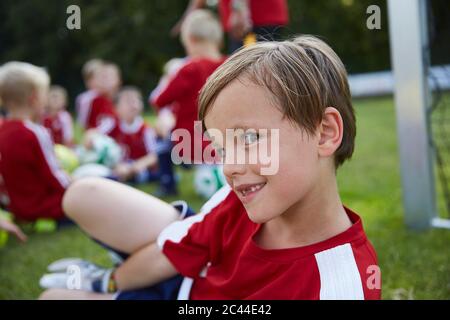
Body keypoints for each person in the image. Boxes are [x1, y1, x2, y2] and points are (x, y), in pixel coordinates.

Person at [39, 35, 381, 300]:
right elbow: (171, 254)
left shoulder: (341, 283)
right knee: (83, 193)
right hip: (185, 279)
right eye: (220, 147)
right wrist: (108, 281)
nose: (229, 167)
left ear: (324, 133)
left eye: (249, 138)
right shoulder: (243, 198)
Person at [150, 9, 226, 195]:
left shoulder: (189, 69)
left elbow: (160, 100)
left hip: (190, 142)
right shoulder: (231, 64)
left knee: (161, 138)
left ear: (190, 40)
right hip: (227, 140)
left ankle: (167, 184)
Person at [0, 62, 71, 222]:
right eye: (45, 94)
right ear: (34, 98)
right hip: (46, 207)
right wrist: (74, 185)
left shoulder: (2, 130)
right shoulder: (35, 132)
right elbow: (53, 175)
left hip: (17, 209)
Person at [172, 0, 289, 53]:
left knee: (253, 72)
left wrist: (238, 8)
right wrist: (187, 18)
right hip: (251, 20)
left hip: (255, 19)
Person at [109, 87, 159, 184]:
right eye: (127, 102)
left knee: (142, 174)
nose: (133, 105)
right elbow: (99, 139)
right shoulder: (112, 126)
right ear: (116, 108)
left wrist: (135, 166)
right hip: (118, 166)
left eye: (136, 101)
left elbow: (154, 156)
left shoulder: (145, 130)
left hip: (139, 168)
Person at [77, 61, 120, 135]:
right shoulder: (91, 99)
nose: (104, 81)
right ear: (89, 81)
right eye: (101, 78)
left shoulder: (106, 97)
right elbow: (83, 122)